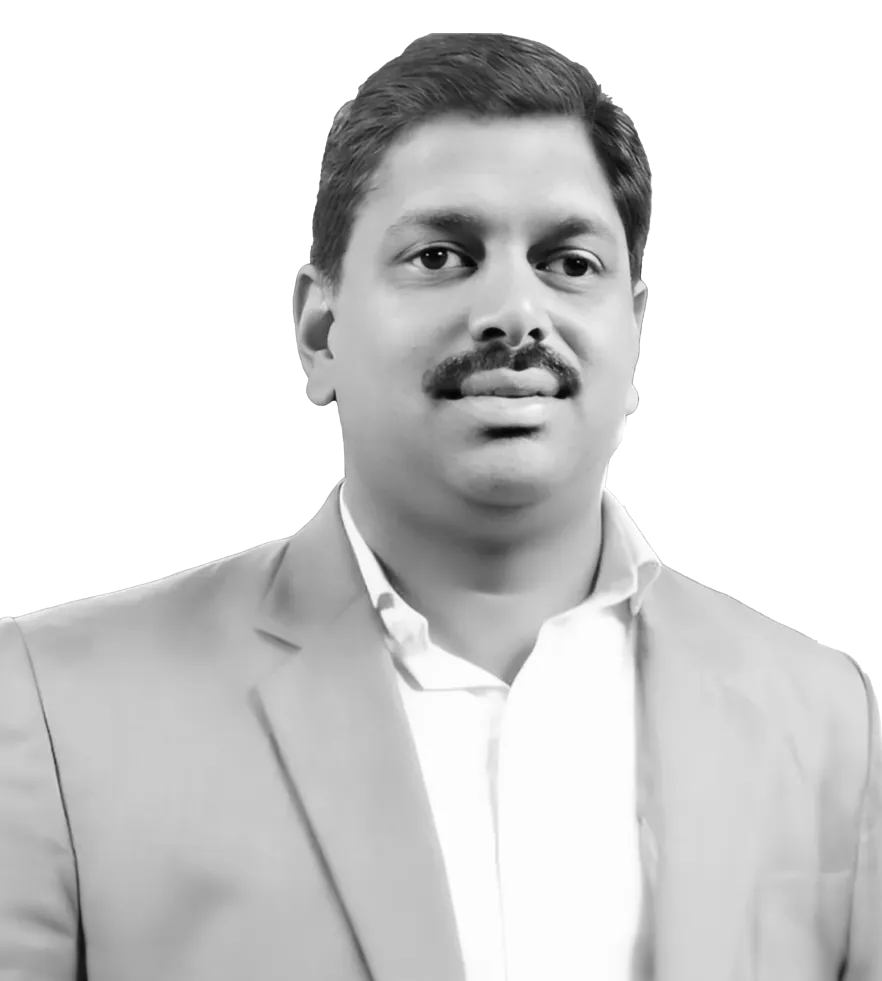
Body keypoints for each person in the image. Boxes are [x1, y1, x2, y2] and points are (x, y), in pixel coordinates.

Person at [1, 32, 878, 981]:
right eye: (440, 255)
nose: (516, 311)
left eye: (569, 262)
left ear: (636, 329)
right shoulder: (53, 705)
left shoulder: (831, 716)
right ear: (319, 330)